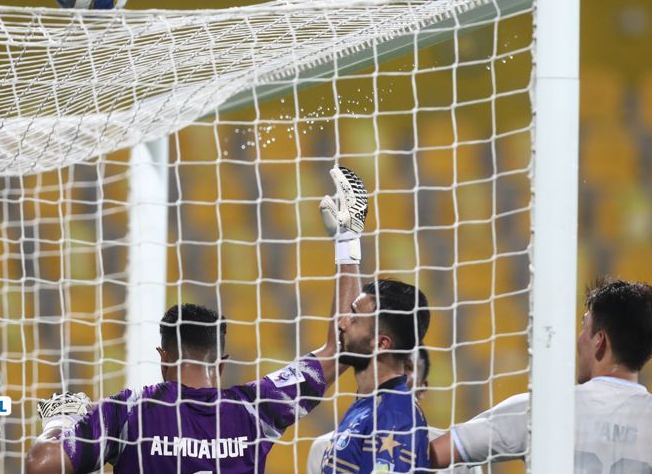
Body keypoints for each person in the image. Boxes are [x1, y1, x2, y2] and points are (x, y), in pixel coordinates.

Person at [25, 165, 370, 473]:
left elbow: (41, 465)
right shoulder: (256, 407)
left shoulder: (127, 412)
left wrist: (62, 421)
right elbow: (342, 348)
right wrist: (347, 239)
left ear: (163, 358)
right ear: (221, 363)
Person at [429, 278, 652, 473]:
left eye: (584, 328)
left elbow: (435, 453)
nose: (579, 339)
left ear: (599, 341)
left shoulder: (546, 408)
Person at [316, 277, 432, 473]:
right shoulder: (371, 404)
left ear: (380, 344)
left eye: (354, 318)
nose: (341, 324)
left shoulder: (395, 417)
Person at [307, 347, 482, 474]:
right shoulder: (323, 448)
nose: (393, 375)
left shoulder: (457, 457)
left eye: (407, 367)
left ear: (422, 388)